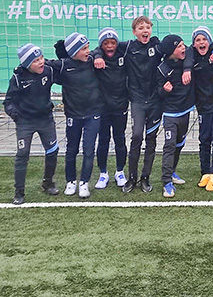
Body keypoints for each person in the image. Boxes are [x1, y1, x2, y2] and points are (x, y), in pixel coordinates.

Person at [95, 16, 163, 193]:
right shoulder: (127, 48)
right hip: (138, 101)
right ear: (134, 32)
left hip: (156, 101)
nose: (145, 30)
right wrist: (96, 56)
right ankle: (131, 177)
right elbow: (102, 47)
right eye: (141, 28)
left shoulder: (157, 46)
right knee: (137, 136)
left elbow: (178, 49)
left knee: (151, 140)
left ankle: (145, 178)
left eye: (148, 27)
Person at [4, 44, 59, 204]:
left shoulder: (48, 71)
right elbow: (8, 102)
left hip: (45, 119)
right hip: (25, 122)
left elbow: (66, 74)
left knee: (52, 150)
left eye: (41, 58)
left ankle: (48, 182)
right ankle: (19, 191)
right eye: (36, 60)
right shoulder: (17, 78)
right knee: (23, 155)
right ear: (27, 64)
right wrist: (17, 116)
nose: (41, 62)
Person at [50, 32, 103, 199]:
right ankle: (71, 181)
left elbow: (98, 51)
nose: (87, 51)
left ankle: (84, 182)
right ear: (73, 52)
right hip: (73, 115)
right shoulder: (64, 65)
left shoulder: (92, 62)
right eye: (83, 49)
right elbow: (41, 64)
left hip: (93, 114)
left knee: (89, 150)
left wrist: (96, 55)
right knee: (72, 149)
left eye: (87, 47)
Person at [183, 26, 213, 192]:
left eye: (204, 39)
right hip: (202, 105)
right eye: (197, 40)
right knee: (204, 137)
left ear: (209, 41)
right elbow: (185, 54)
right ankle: (205, 171)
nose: (201, 42)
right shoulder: (191, 58)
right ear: (194, 44)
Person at [157, 35, 195, 198]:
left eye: (183, 45)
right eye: (179, 46)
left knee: (180, 143)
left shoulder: (187, 58)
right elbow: (157, 92)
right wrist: (164, 90)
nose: (183, 48)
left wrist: (187, 69)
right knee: (170, 145)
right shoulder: (162, 69)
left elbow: (191, 51)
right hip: (170, 113)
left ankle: (172, 171)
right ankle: (166, 182)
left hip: (185, 111)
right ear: (171, 50)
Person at [94, 27, 129, 189]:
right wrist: (97, 55)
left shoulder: (124, 54)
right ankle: (103, 173)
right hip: (102, 108)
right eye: (106, 43)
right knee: (103, 140)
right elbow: (90, 52)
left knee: (120, 139)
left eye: (112, 42)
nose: (109, 46)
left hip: (120, 105)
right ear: (101, 45)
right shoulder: (96, 58)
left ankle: (120, 171)